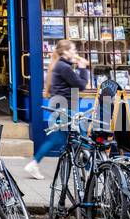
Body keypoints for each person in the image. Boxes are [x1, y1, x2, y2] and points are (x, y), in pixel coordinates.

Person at [22, 39, 89, 180]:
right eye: (73, 50)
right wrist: (83, 68)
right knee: (83, 134)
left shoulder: (61, 65)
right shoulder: (64, 67)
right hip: (66, 108)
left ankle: (35, 163)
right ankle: (89, 167)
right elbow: (81, 85)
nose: (75, 52)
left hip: (62, 107)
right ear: (65, 52)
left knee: (58, 138)